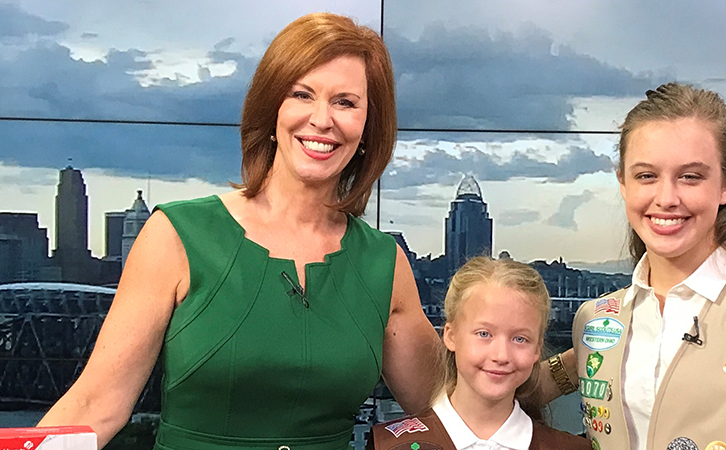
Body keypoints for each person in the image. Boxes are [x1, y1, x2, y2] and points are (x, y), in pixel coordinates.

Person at [36, 13, 442, 450]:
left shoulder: (383, 262)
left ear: (367, 128)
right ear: (272, 111)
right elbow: (94, 407)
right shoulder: (177, 235)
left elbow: (448, 410)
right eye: (301, 94)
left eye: (345, 102)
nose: (322, 120)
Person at [522, 83, 726, 450]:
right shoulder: (597, 320)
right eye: (646, 175)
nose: (666, 198)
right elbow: (503, 390)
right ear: (623, 185)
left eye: (690, 176)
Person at [370, 257, 591, 450]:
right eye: (484, 333)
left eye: (519, 339)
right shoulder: (388, 445)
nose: (501, 355)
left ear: (537, 349)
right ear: (451, 335)